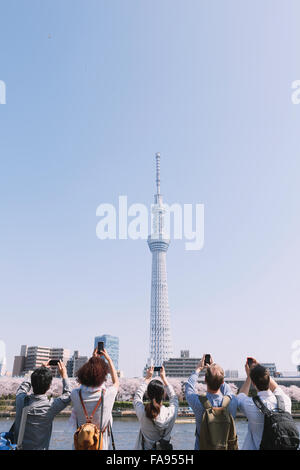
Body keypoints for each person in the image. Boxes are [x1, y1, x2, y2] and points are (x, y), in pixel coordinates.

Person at [237, 358, 292, 450]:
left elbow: (240, 396)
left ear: (253, 383)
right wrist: (260, 368)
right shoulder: (285, 400)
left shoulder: (251, 405)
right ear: (268, 379)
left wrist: (249, 376)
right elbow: (276, 388)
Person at [14, 360, 71, 450]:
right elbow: (68, 395)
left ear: (32, 384)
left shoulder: (21, 400)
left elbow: (23, 387)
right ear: (49, 386)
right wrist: (64, 375)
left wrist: (39, 370)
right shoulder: (51, 406)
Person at [185, 354, 238, 450]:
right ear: (222, 382)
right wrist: (214, 367)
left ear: (205, 380)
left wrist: (198, 369)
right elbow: (227, 391)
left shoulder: (199, 402)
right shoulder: (232, 401)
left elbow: (189, 388)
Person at [70, 348, 119, 450]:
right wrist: (109, 360)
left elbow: (81, 385)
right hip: (102, 445)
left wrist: (92, 361)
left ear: (83, 374)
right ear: (103, 375)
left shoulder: (75, 394)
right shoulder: (107, 394)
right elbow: (116, 382)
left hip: (80, 445)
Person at [133, 365, 178, 450]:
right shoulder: (171, 412)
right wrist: (164, 379)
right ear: (163, 394)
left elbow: (137, 398)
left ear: (148, 395)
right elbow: (174, 397)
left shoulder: (143, 412)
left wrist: (147, 379)